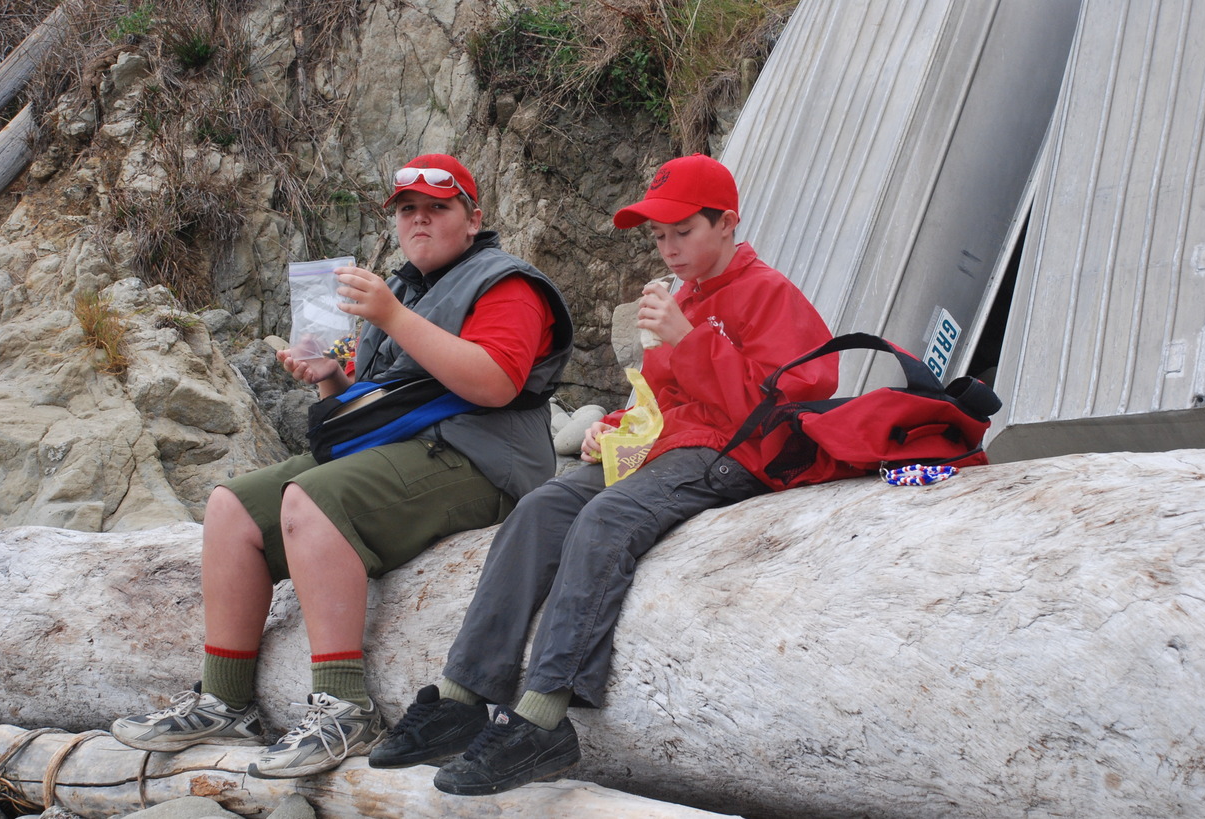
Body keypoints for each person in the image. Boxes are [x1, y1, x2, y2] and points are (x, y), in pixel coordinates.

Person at [368, 153, 838, 795]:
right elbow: (664, 400)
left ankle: (542, 718)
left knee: (606, 518)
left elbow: (781, 409)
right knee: (540, 508)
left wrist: (688, 340)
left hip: (736, 454)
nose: (669, 249)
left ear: (727, 222)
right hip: (671, 444)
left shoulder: (769, 294)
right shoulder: (685, 296)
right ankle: (461, 695)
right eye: (659, 236)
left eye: (683, 232)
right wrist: (613, 426)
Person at [109, 154, 574, 779]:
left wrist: (391, 317)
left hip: (483, 461)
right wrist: (331, 378)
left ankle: (344, 709)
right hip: (398, 451)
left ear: (473, 219)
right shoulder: (403, 289)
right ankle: (225, 700)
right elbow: (377, 401)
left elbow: (495, 383)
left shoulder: (507, 285)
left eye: (438, 208)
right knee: (230, 507)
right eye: (407, 209)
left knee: (312, 500)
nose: (420, 220)